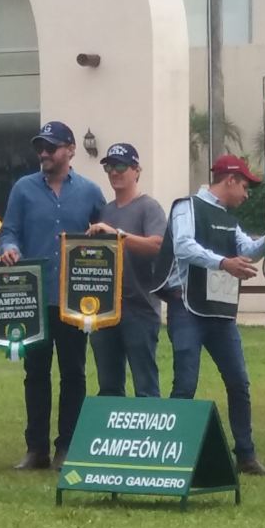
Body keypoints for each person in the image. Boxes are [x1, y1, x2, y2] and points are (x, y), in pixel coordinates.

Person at [151, 154, 265, 476]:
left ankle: (246, 456)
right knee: (186, 383)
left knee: (239, 382)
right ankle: (171, 454)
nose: (247, 194)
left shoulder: (229, 219)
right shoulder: (186, 207)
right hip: (187, 309)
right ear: (230, 180)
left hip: (219, 312)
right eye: (245, 186)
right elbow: (182, 245)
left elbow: (247, 251)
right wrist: (223, 263)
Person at [0, 121, 106, 470]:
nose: (44, 153)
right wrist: (9, 248)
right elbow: (9, 230)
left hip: (76, 302)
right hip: (35, 299)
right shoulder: (23, 189)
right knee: (36, 373)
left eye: (52, 147)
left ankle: (68, 447)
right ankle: (36, 449)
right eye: (40, 147)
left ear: (71, 149)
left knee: (74, 373)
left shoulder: (90, 192)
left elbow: (105, 241)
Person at [85, 142, 167, 398]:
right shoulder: (104, 211)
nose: (114, 172)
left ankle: (149, 437)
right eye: (110, 166)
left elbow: (158, 245)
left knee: (145, 386)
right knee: (108, 386)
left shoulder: (149, 207)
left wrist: (117, 235)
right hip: (104, 309)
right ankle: (113, 438)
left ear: (136, 170)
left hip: (140, 308)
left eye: (121, 166)